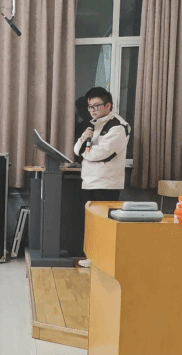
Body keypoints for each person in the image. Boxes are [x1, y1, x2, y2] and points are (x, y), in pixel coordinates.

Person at [73, 86, 130, 268]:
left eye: (96, 106)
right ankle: (93, 258)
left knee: (104, 225)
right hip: (90, 181)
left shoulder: (118, 127)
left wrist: (85, 151)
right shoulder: (94, 125)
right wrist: (84, 142)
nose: (93, 110)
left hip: (106, 183)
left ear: (108, 105)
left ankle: (102, 261)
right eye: (90, 106)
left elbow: (101, 153)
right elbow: (77, 149)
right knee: (92, 224)